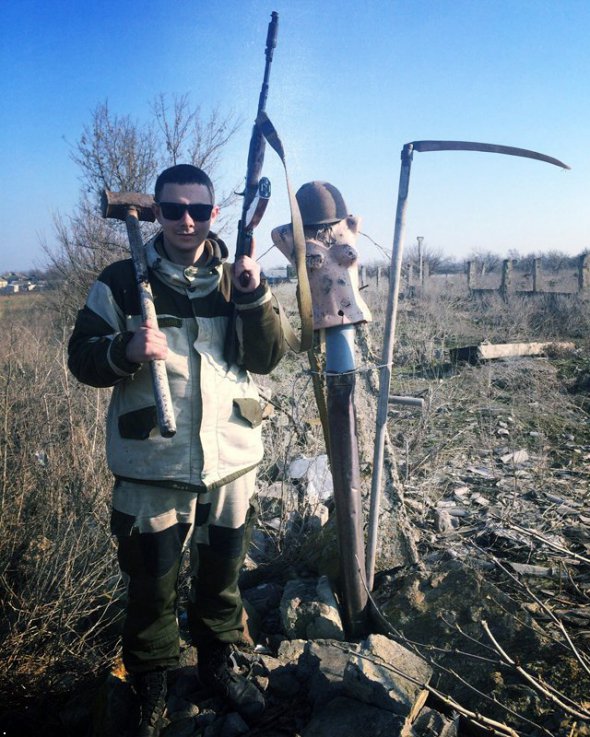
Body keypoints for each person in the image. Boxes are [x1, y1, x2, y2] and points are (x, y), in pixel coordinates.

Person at [68, 164, 285, 736]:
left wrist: (255, 293)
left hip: (232, 461)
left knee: (223, 575)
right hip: (152, 465)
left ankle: (218, 662)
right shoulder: (120, 281)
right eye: (172, 209)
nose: (185, 220)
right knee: (151, 583)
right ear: (155, 212)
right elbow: (81, 358)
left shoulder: (234, 276)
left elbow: (267, 358)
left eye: (198, 210)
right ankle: (152, 683)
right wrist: (124, 348)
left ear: (214, 213)